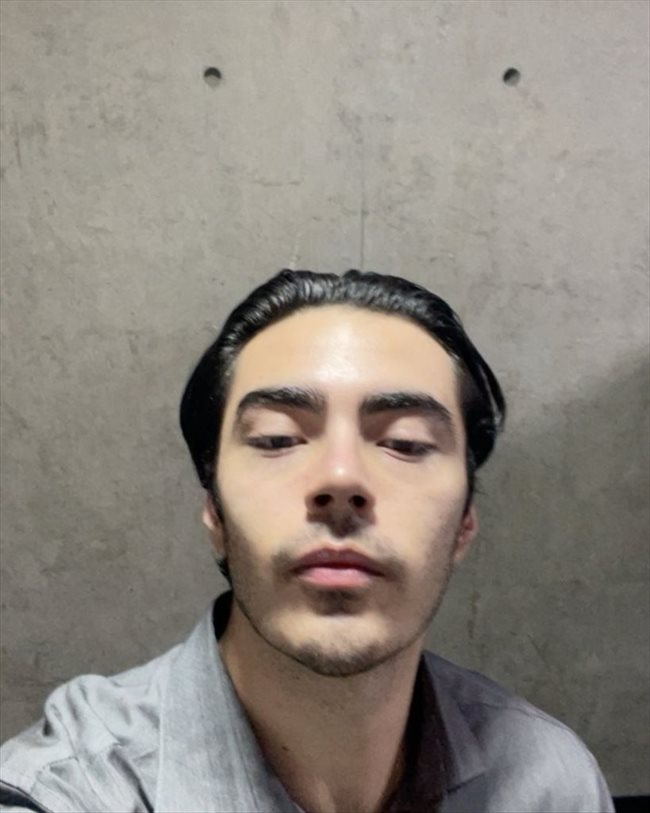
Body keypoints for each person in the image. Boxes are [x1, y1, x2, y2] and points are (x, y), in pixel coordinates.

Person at [0, 270, 614, 813]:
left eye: (405, 443)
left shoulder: (549, 785)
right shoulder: (68, 791)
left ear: (464, 525)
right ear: (214, 512)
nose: (341, 478)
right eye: (277, 439)